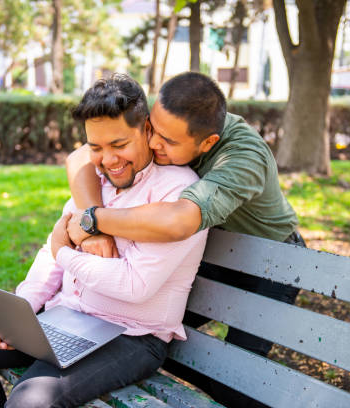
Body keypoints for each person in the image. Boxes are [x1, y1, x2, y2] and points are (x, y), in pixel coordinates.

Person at [0, 74, 209, 408]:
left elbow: (134, 285)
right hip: (66, 317)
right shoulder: (95, 179)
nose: (107, 161)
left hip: (131, 336)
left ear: (147, 131)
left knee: (29, 402)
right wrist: (24, 309)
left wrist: (65, 253)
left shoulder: (177, 192)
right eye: (96, 148)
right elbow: (50, 249)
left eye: (119, 145)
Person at [65, 71, 305, 407]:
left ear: (207, 144)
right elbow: (79, 158)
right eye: (153, 130)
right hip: (214, 256)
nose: (152, 143)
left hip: (271, 267)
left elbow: (179, 221)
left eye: (168, 142)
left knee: (236, 381)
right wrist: (96, 223)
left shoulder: (243, 156)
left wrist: (93, 219)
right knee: (141, 333)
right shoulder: (173, 117)